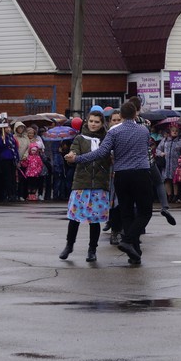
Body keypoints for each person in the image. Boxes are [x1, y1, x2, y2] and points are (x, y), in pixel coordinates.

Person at [67, 100, 153, 266]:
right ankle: (128, 241)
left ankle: (135, 253)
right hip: (141, 173)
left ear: (121, 116)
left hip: (121, 174)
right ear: (135, 114)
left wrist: (78, 159)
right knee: (144, 212)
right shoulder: (144, 130)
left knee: (126, 212)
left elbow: (101, 152)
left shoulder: (114, 132)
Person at [60, 111, 110, 263]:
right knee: (74, 218)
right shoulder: (79, 138)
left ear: (102, 124)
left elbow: (110, 157)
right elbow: (73, 153)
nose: (93, 124)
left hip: (99, 184)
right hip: (81, 183)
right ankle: (69, 245)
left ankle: (92, 249)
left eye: (97, 122)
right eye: (91, 121)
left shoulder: (107, 139)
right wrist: (70, 157)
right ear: (86, 122)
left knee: (94, 220)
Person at [157, 125, 181, 203]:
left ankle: (175, 195)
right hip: (166, 164)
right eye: (173, 130)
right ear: (170, 132)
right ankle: (169, 195)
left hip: (176, 164)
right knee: (166, 180)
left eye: (176, 131)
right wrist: (161, 153)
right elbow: (158, 150)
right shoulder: (165, 140)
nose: (174, 132)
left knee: (175, 180)